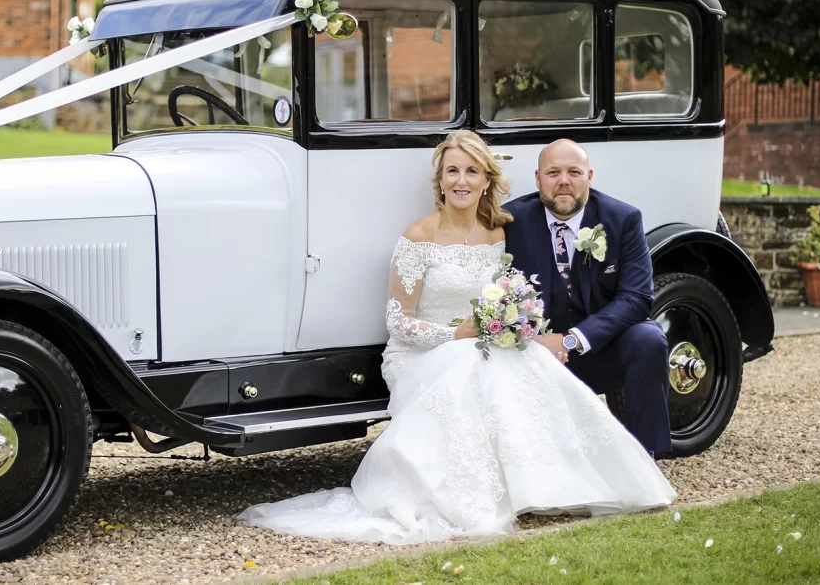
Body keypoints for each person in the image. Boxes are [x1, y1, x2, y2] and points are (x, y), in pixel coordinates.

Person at [236, 131, 675, 544]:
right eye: (453, 171)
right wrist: (458, 333)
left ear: (487, 180)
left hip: (496, 344)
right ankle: (484, 494)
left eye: (471, 171)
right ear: (440, 179)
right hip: (424, 351)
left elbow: (557, 295)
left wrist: (516, 326)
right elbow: (399, 321)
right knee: (479, 366)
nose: (461, 180)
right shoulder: (421, 236)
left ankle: (586, 475)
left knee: (520, 363)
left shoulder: (502, 232)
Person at [502, 138, 673, 456]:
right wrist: (531, 341)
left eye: (574, 172)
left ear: (589, 177)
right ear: (538, 179)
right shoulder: (511, 221)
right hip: (533, 356)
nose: (564, 181)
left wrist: (571, 339)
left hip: (598, 350)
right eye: (553, 172)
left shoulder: (622, 220)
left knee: (649, 339)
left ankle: (646, 457)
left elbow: (637, 297)